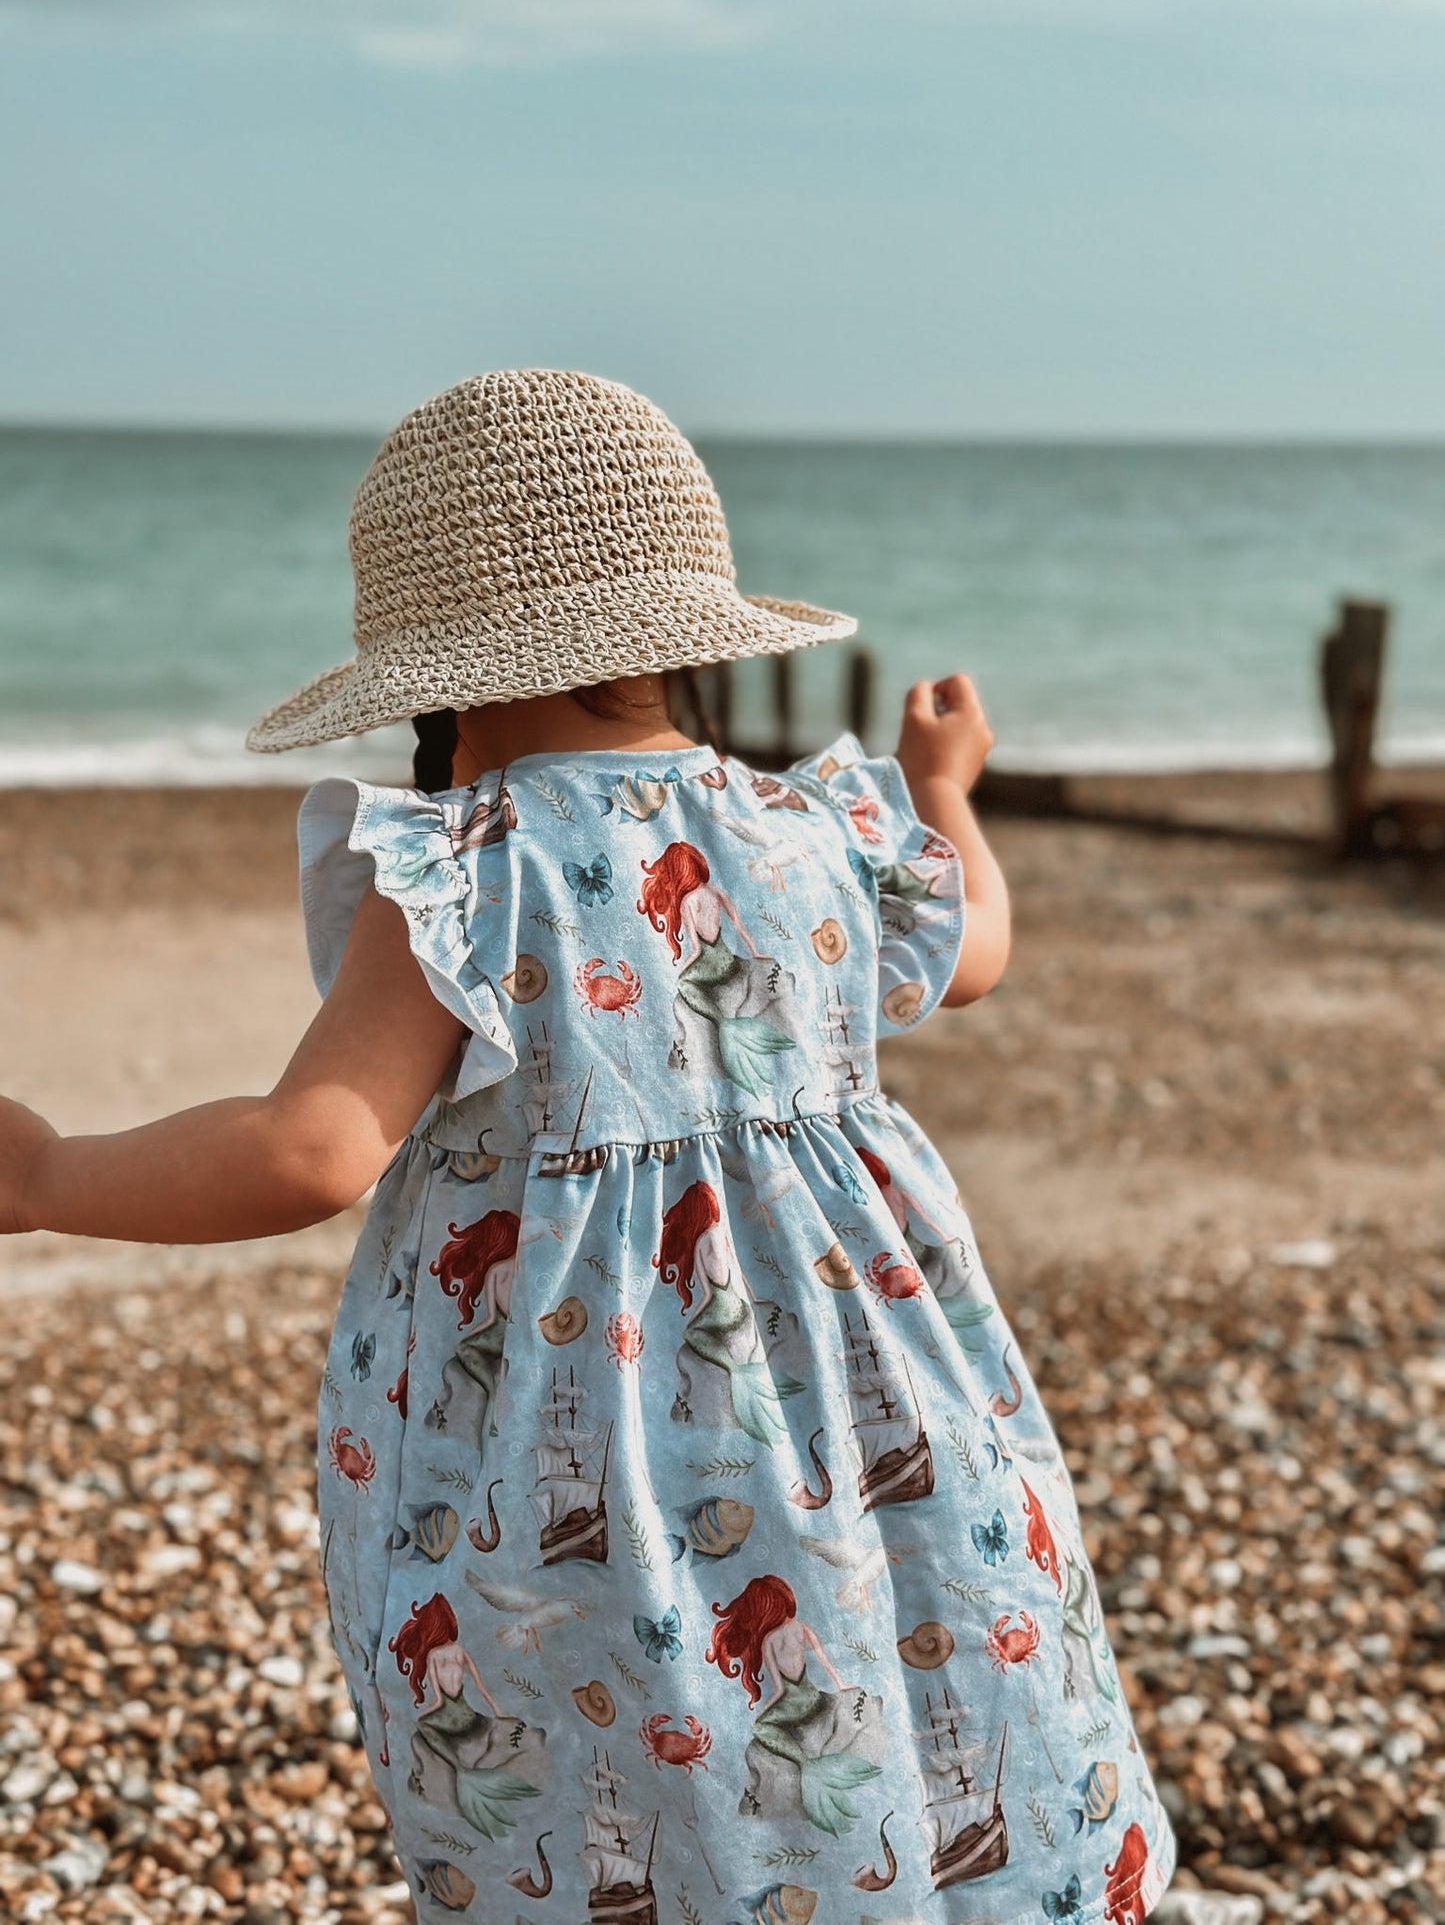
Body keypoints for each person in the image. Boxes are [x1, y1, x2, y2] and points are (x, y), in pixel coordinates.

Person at [0, 370, 1176, 1923]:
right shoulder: (813, 826)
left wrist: (49, 1177)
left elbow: (309, 1151)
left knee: (629, 1739)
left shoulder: (471, 870)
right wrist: (944, 793)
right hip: (866, 1384)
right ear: (685, 635)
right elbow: (972, 952)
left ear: (438, 675)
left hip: (601, 1433)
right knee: (903, 1638)